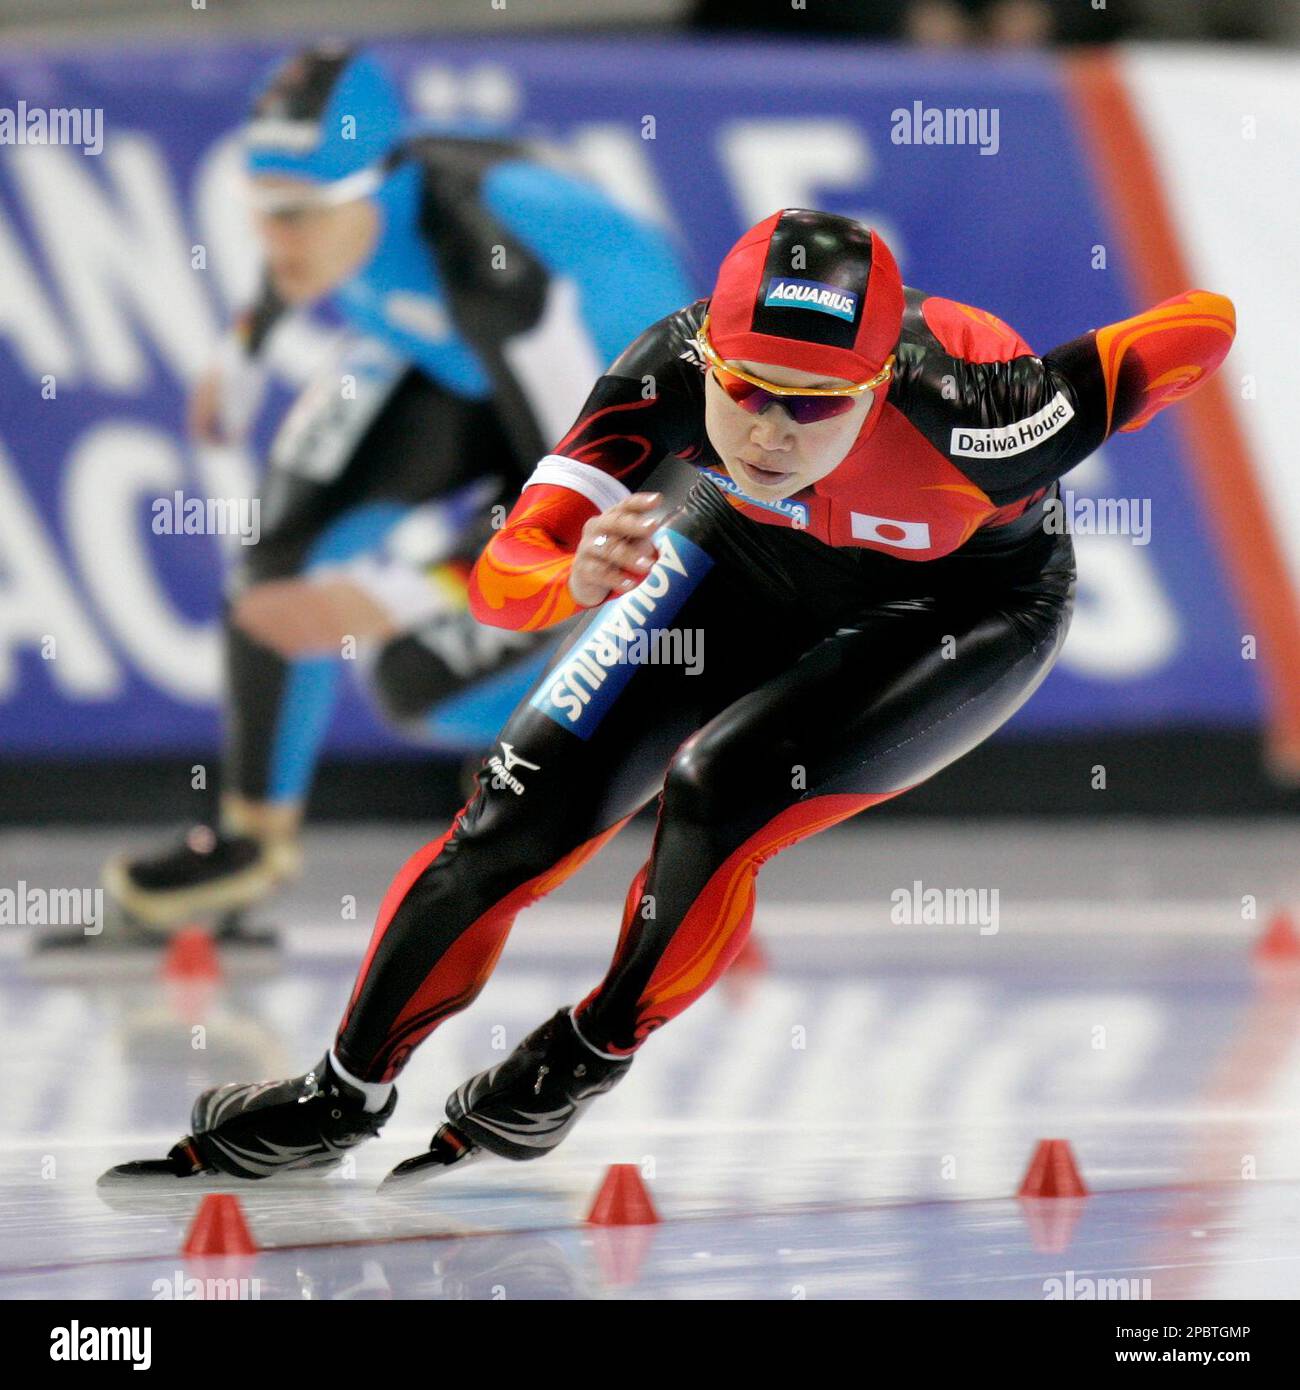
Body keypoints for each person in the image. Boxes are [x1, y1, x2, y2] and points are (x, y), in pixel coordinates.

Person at [104, 208, 1234, 1184]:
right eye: (746, 391)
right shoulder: (667, 369)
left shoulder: (983, 413)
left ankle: (584, 1052)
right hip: (740, 554)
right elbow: (507, 581)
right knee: (513, 812)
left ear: (882, 380)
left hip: (961, 606)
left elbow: (1208, 322)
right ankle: (342, 1090)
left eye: (815, 402)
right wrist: (566, 570)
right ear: (710, 356)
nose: (770, 430)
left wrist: (1074, 382)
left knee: (718, 790)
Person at [72, 44, 692, 951]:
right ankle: (250, 842)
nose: (275, 241)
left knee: (413, 681)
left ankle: (619, 725)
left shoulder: (497, 267)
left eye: (299, 217)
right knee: (280, 549)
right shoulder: (345, 210)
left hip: (619, 450)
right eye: (261, 213)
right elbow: (289, 262)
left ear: (379, 186)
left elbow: (576, 508)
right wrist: (239, 360)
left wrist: (395, 596)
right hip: (454, 367)